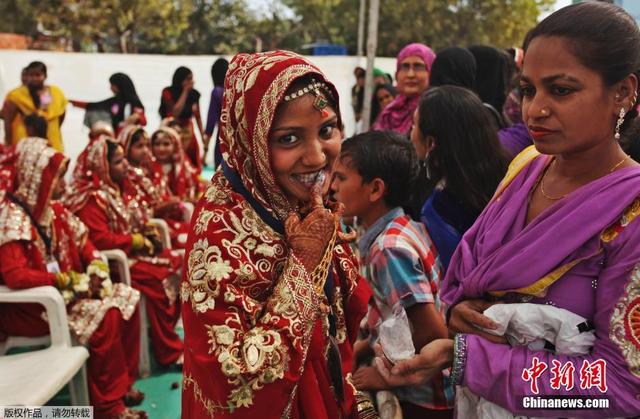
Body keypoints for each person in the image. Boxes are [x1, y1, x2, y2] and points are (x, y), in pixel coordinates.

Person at [375, 3, 640, 417]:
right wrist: (458, 312)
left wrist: (469, 359)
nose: (536, 109)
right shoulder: (526, 167)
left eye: (562, 90)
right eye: (530, 89)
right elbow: (464, 282)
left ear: (622, 92)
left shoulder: (631, 214)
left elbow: (621, 389)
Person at [180, 51, 372, 418]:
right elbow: (234, 386)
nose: (317, 157)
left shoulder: (304, 204)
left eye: (327, 130)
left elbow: (340, 324)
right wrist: (302, 264)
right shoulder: (219, 234)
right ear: (250, 140)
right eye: (288, 139)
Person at [0, 138, 145, 419]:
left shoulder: (53, 209)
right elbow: (16, 276)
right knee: (106, 315)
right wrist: (65, 282)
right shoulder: (11, 218)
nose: (61, 183)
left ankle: (122, 385)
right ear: (35, 176)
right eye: (54, 176)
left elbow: (85, 243)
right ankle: (108, 407)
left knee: (128, 296)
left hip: (63, 294)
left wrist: (96, 268)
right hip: (31, 309)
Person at [331, 131, 454, 418]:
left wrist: (386, 377)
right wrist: (365, 347)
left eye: (341, 178)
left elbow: (432, 336)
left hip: (425, 397)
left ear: (375, 190)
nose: (332, 187)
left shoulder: (389, 249)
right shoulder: (402, 226)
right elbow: (392, 311)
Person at [65, 136, 184, 368]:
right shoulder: (91, 198)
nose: (126, 165)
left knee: (179, 262)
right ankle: (168, 352)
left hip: (131, 254)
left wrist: (146, 232)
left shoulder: (119, 188)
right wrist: (135, 241)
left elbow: (139, 216)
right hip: (114, 264)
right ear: (103, 166)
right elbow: (100, 239)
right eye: (119, 161)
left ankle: (165, 338)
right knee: (157, 280)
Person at [411, 86, 509, 270]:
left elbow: (454, 276)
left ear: (431, 143)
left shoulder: (440, 208)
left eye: (414, 124)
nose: (411, 132)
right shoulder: (513, 175)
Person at [3, 61, 68, 151]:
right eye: (31, 75)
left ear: (45, 76)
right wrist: (8, 145)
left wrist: (51, 127)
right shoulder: (17, 95)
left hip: (53, 142)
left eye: (38, 75)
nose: (34, 79)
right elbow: (8, 121)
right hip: (26, 145)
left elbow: (61, 115)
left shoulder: (56, 92)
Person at [373, 43, 435, 135]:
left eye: (418, 67)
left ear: (431, 72)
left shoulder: (434, 112)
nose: (410, 74)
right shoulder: (389, 113)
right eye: (405, 67)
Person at [159, 66, 205, 172]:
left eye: (191, 78)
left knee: (192, 161)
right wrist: (185, 92)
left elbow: (197, 116)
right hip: (172, 128)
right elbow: (175, 113)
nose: (191, 81)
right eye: (188, 78)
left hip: (188, 130)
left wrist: (202, 135)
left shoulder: (194, 94)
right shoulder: (167, 92)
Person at [70, 73, 146, 136]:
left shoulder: (134, 101)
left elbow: (143, 120)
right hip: (115, 137)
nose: (110, 88)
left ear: (119, 85)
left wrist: (137, 117)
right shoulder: (113, 102)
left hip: (131, 138)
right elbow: (94, 106)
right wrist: (72, 102)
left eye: (112, 85)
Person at [150, 126, 202, 204]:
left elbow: (194, 188)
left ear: (175, 146)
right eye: (157, 144)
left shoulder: (183, 167)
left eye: (166, 144)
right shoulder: (148, 167)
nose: (161, 148)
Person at [205, 58, 228, 166]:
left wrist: (205, 149)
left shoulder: (217, 92)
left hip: (222, 138)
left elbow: (211, 122)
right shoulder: (235, 91)